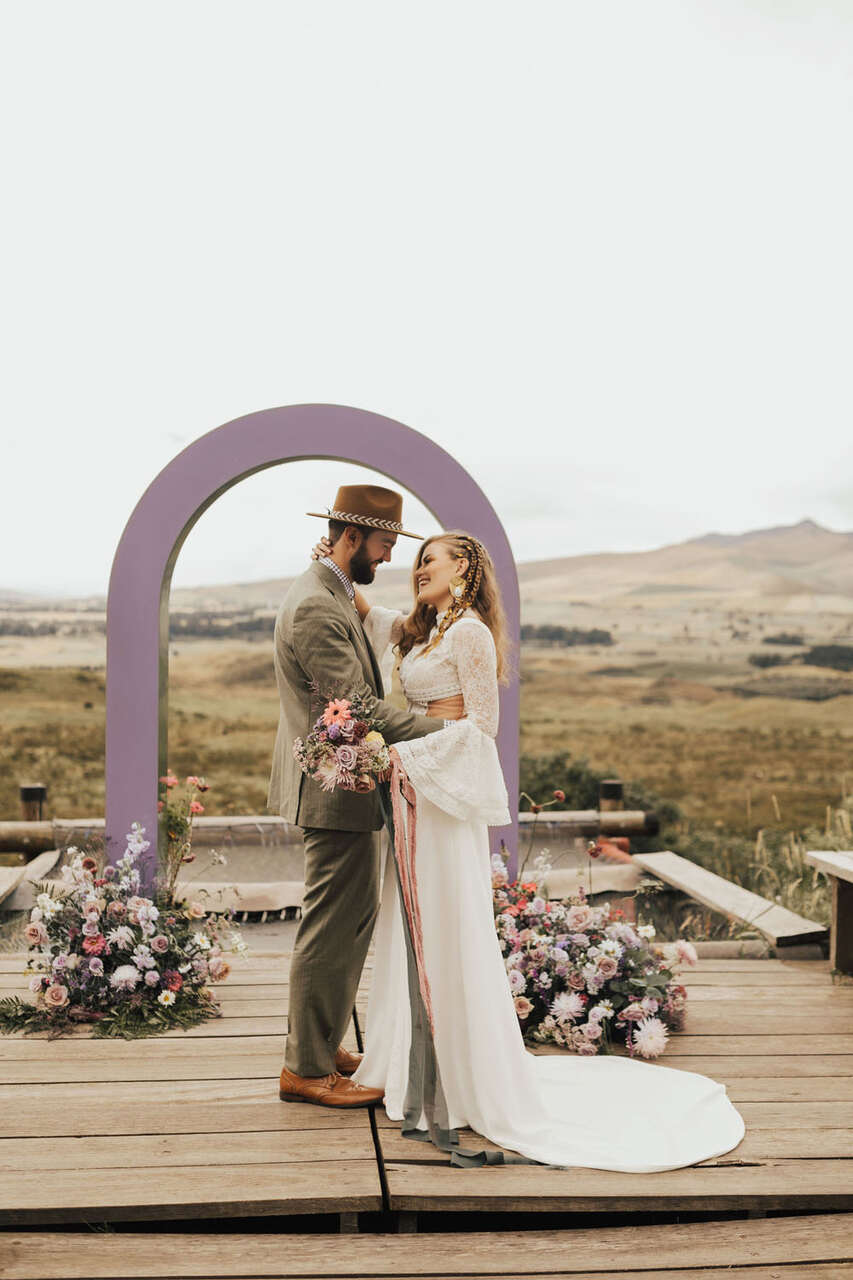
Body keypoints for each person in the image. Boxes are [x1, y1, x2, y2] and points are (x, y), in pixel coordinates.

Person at [308, 526, 747, 1172]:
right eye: (416, 561)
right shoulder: (423, 631)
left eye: (431, 560)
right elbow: (376, 623)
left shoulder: (470, 635)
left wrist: (397, 754)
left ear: (464, 567)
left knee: (447, 929)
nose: (418, 568)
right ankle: (408, 1062)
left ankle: (459, 1074)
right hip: (415, 799)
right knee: (411, 927)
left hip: (439, 794)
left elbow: (479, 728)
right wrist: (341, 573)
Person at [268, 484, 454, 1108]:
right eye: (382, 544)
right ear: (351, 537)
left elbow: (368, 630)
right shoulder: (317, 607)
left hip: (343, 785)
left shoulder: (332, 590)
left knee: (351, 923)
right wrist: (452, 734)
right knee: (331, 926)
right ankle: (306, 1070)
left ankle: (319, 1046)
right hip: (332, 789)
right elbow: (362, 707)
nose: (390, 557)